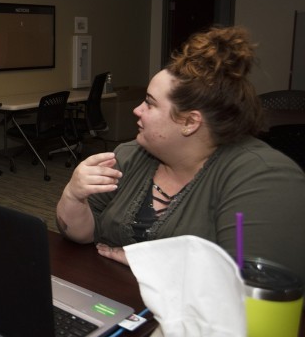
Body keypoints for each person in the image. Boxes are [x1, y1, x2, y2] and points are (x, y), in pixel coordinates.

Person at [56, 25, 305, 282]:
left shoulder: (263, 177)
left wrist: (153, 264)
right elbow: (85, 233)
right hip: (117, 302)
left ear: (190, 122)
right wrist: (73, 195)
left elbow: (253, 286)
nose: (137, 110)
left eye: (150, 103)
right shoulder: (130, 155)